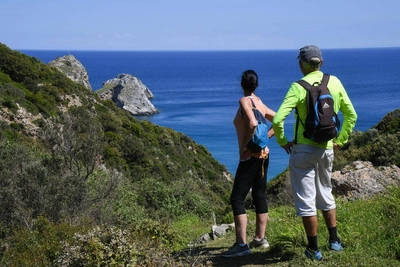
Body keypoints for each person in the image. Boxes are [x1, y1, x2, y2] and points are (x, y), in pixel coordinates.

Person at [272, 45, 357, 261]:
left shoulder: (298, 87)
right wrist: (341, 139)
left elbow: (277, 119)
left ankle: (313, 249)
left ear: (301, 64)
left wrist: (283, 141)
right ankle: (335, 241)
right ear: (322, 62)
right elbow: (351, 115)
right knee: (326, 193)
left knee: (306, 199)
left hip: (302, 149)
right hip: (327, 148)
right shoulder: (334, 82)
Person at [221, 70, 276, 258]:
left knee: (237, 199)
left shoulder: (244, 101)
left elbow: (252, 124)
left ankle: (241, 244)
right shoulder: (259, 103)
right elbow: (279, 119)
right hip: (264, 156)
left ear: (242, 84)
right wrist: (268, 137)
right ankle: (260, 239)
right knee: (259, 195)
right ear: (256, 85)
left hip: (250, 157)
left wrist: (243, 148)